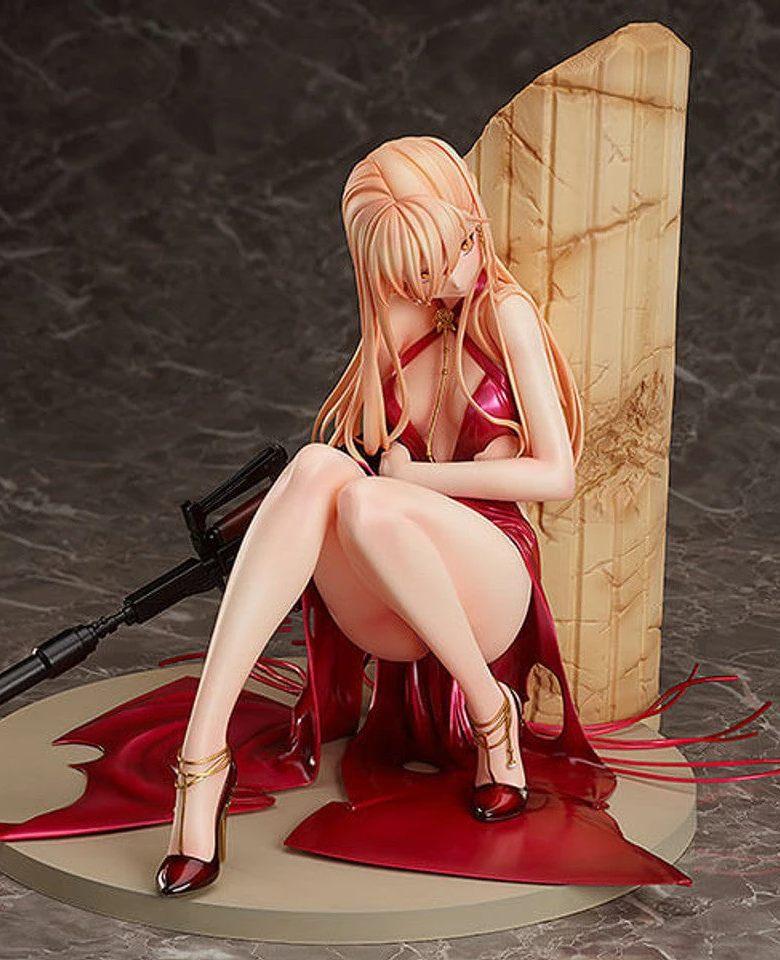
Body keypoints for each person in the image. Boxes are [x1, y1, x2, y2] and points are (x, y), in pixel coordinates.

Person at [157, 134, 597, 895]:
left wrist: (419, 476)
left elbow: (556, 474)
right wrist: (392, 323)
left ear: (472, 217)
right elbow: (358, 453)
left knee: (365, 497)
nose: (449, 275)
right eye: (419, 269)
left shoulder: (506, 315)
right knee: (315, 466)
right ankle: (202, 757)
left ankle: (491, 714)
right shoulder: (402, 324)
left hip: (487, 581)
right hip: (392, 600)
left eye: (459, 246)